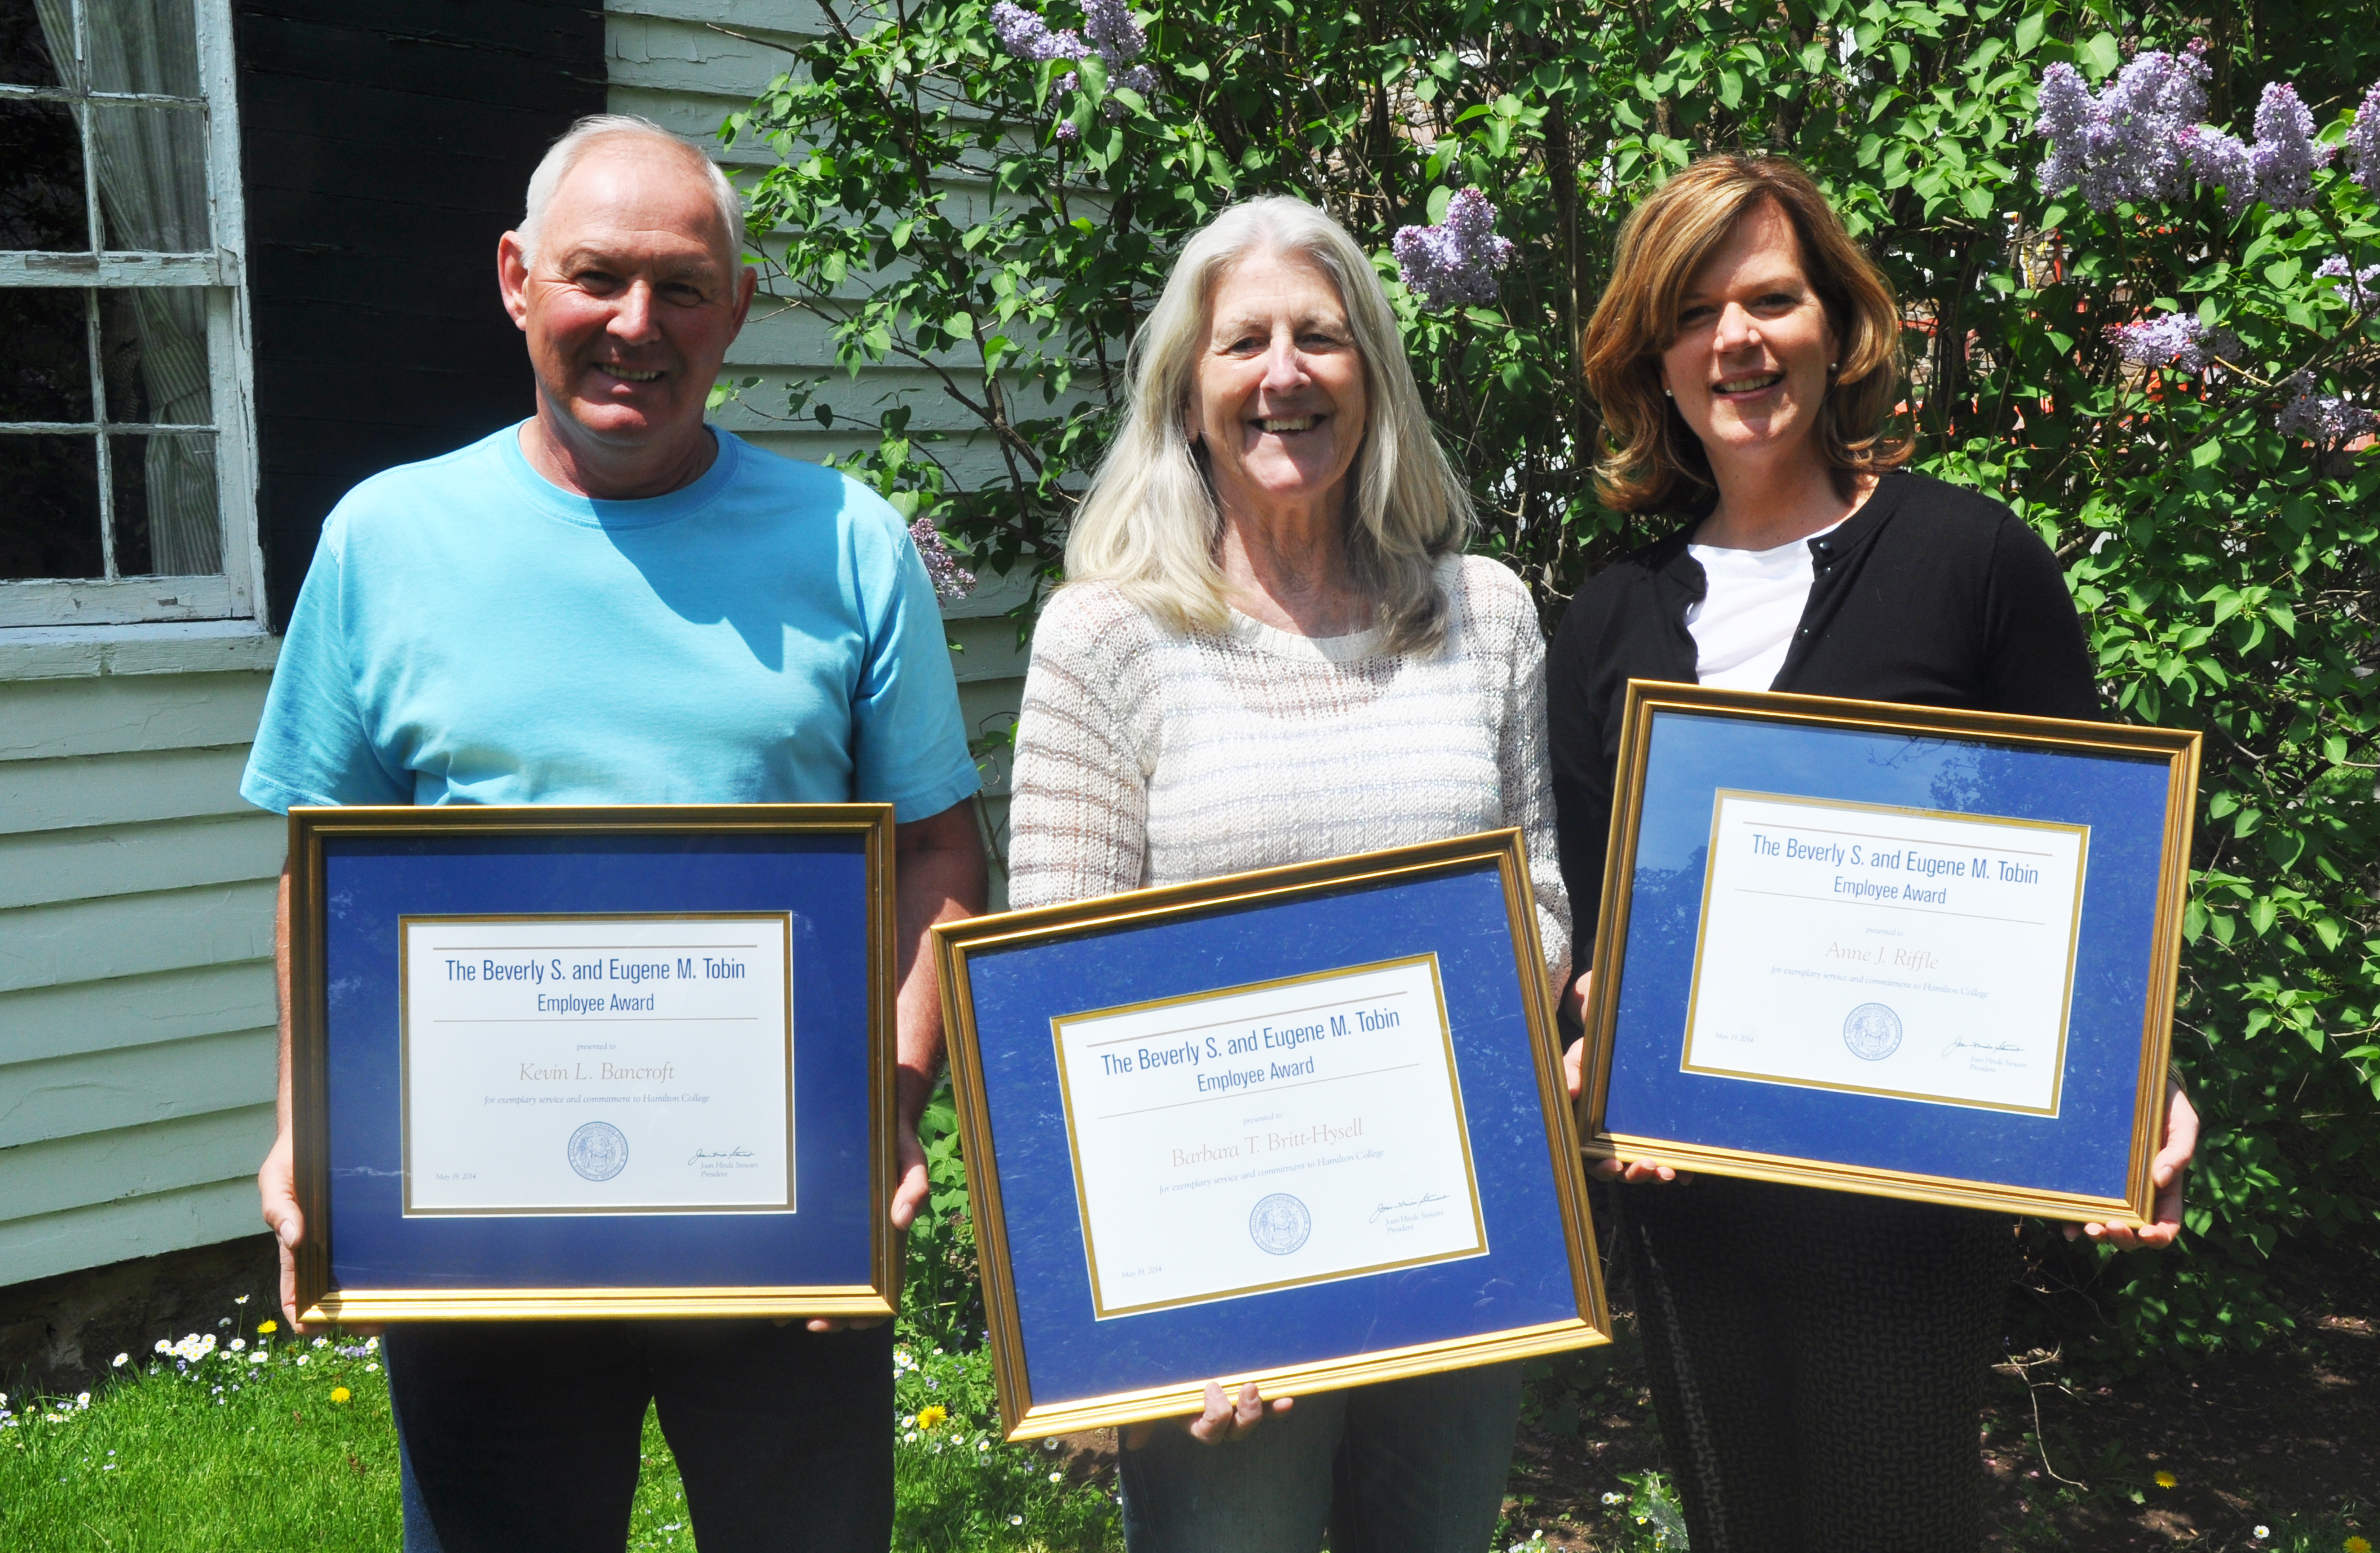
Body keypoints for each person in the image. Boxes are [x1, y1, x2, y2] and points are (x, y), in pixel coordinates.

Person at [242, 114, 986, 1553]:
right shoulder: (386, 539)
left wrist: (889, 1102)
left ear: (739, 310)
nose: (634, 324)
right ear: (518, 279)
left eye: (682, 286)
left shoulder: (848, 541)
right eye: (596, 278)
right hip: (475, 1224)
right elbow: (321, 880)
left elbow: (943, 852)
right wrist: (306, 1123)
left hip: (781, 1220)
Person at [1548, 154, 2200, 1552]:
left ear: (1839, 327)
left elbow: (2089, 877)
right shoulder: (1611, 619)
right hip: (1690, 1205)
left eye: (1774, 299)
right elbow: (1602, 929)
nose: (1739, 339)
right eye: (1696, 310)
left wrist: (2141, 1085)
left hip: (1902, 1204)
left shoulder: (1973, 563)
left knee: (1893, 1519)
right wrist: (1594, 1027)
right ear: (1651, 361)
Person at [1001, 193, 1569, 1553]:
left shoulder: (1482, 611)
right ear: (1187, 393)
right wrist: (1116, 1302)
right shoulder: (1106, 639)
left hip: (1451, 1229)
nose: (1282, 373)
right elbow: (1053, 988)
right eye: (1241, 341)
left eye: (1319, 337)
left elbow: (1538, 897)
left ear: (1371, 374)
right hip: (1214, 1279)